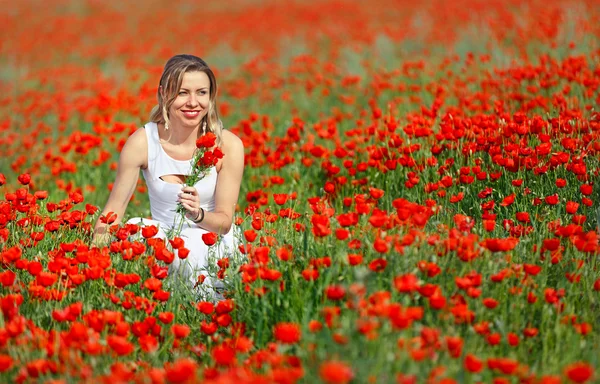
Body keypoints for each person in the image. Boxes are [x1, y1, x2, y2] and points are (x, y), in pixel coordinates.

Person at [92, 54, 244, 295]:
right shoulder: (143, 142)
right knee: (137, 229)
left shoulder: (228, 145)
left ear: (211, 96)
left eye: (202, 93)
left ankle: (200, 301)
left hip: (212, 246)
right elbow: (113, 212)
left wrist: (198, 214)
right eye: (182, 93)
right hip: (163, 248)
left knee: (190, 250)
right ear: (164, 93)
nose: (193, 102)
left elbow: (225, 223)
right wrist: (92, 266)